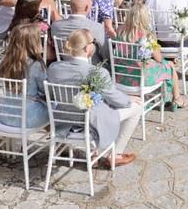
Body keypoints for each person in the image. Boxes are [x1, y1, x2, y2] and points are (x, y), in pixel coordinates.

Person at [46, 29, 144, 168]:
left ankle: (95, 151)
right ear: (87, 48)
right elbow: (115, 99)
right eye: (94, 42)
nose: (95, 45)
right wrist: (128, 99)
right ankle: (115, 154)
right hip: (90, 122)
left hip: (64, 120)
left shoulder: (54, 68)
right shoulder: (98, 72)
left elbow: (52, 94)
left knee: (103, 106)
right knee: (137, 105)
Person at [112, 4, 187, 109]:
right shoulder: (145, 35)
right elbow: (159, 58)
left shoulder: (120, 31)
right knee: (169, 66)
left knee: (156, 65)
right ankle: (177, 98)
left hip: (121, 76)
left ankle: (166, 97)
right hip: (140, 77)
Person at [0, 25, 49, 129]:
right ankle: (56, 140)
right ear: (33, 43)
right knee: (54, 109)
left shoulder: (4, 62)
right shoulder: (36, 65)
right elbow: (45, 91)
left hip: (5, 115)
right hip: (27, 118)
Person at [51, 0, 107, 64]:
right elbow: (105, 53)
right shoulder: (97, 27)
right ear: (87, 8)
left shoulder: (56, 26)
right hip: (91, 67)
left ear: (70, 7)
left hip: (65, 63)